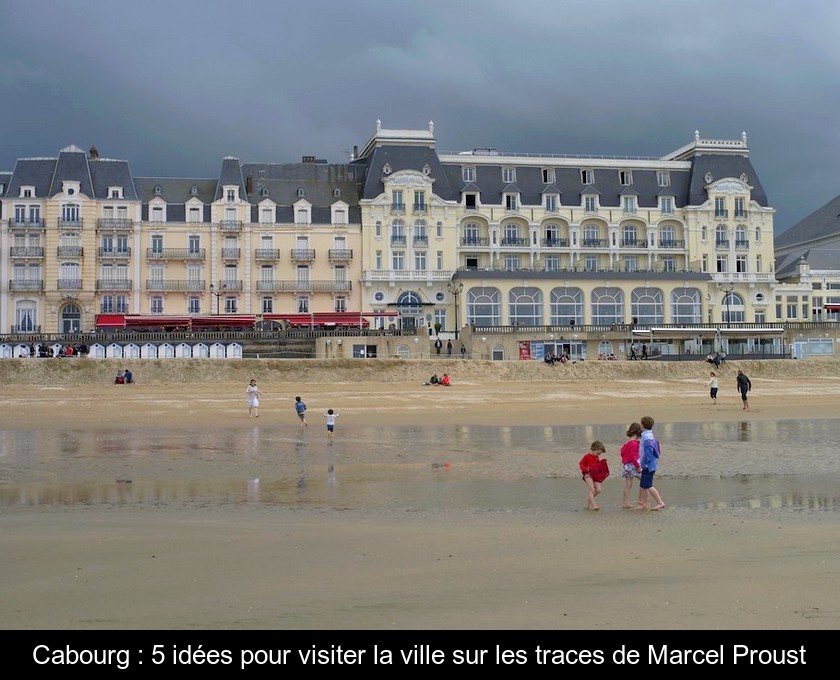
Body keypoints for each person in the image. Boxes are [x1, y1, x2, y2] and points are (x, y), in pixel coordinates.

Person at [636, 415, 665, 510]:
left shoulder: (647, 437)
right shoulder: (648, 435)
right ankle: (644, 503)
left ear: (643, 426)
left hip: (648, 465)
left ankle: (660, 502)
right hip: (649, 465)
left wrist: (643, 464)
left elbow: (648, 453)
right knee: (643, 485)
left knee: (648, 485)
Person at [579, 440, 609, 511]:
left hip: (595, 475)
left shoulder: (596, 457)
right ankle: (593, 505)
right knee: (592, 489)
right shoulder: (587, 456)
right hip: (588, 474)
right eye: (597, 453)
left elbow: (597, 466)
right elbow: (581, 463)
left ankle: (589, 499)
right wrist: (585, 469)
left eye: (600, 454)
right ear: (593, 449)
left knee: (598, 490)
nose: (598, 455)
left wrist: (602, 464)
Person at [620, 422, 643, 509]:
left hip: (627, 465)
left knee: (628, 484)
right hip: (633, 464)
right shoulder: (634, 443)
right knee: (644, 481)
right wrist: (637, 466)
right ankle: (642, 501)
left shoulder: (627, 443)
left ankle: (625, 502)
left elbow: (622, 452)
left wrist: (625, 462)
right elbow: (633, 456)